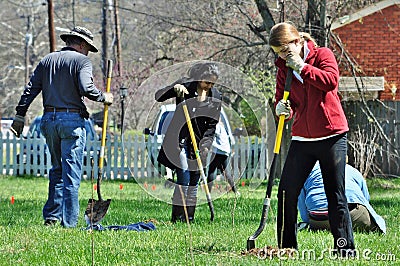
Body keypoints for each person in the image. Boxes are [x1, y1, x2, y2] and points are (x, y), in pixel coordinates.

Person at [10, 26, 113, 228]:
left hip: (48, 121)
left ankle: (52, 217)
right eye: (87, 48)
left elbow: (30, 89)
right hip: (71, 123)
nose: (87, 53)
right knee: (71, 174)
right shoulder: (82, 61)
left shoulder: (47, 60)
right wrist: (104, 97)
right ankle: (69, 223)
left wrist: (20, 115)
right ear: (82, 44)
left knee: (57, 169)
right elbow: (86, 88)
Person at [268, 22, 355, 255]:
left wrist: (303, 67)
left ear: (297, 42)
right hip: (302, 139)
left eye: (286, 51)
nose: (284, 57)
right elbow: (283, 99)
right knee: (286, 191)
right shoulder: (284, 69)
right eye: (279, 54)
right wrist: (281, 108)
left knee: (335, 194)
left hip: (332, 134)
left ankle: (345, 250)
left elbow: (330, 82)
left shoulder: (322, 55)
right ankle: (287, 248)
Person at [155, 62, 221, 223]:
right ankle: (177, 217)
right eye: (206, 82)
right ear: (199, 78)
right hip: (180, 140)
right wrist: (174, 89)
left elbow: (212, 125)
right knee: (184, 176)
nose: (208, 86)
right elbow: (158, 96)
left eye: (212, 83)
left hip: (199, 142)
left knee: (194, 180)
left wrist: (205, 145)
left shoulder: (216, 96)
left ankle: (189, 219)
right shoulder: (186, 86)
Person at [298, 162, 386, 234]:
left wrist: (309, 221)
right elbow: (365, 199)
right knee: (373, 224)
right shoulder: (351, 170)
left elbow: (304, 211)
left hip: (319, 221)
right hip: (352, 216)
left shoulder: (307, 171)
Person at [206, 117, 238, 195]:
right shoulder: (222, 126)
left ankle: (208, 192)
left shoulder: (216, 126)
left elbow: (211, 134)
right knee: (226, 173)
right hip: (225, 151)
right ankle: (235, 191)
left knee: (211, 171)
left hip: (218, 151)